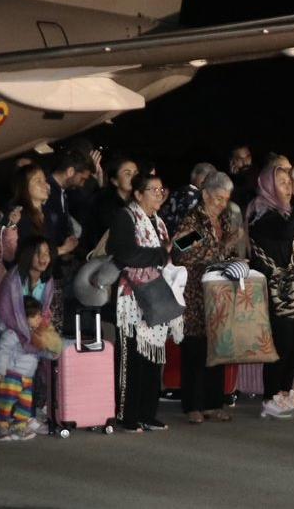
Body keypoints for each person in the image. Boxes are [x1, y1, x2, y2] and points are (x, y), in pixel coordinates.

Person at [170, 172, 247, 422]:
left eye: (225, 199)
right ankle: (193, 405)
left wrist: (231, 245)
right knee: (195, 349)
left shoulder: (223, 221)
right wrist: (218, 250)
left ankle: (214, 403)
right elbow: (181, 251)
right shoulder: (194, 221)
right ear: (205, 195)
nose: (221, 204)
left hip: (218, 292)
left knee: (216, 347)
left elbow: (224, 251)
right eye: (217, 199)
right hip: (195, 291)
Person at [109, 171, 177, 431]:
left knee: (153, 356)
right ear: (138, 194)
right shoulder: (126, 216)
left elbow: (168, 253)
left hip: (156, 293)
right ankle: (127, 414)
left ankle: (148, 413)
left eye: (162, 190)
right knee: (132, 356)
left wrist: (178, 249)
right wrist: (161, 254)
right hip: (131, 296)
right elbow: (125, 253)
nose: (159, 194)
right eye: (153, 190)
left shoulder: (158, 221)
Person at [246, 159, 294, 419]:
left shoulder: (288, 211)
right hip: (273, 288)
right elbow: (285, 233)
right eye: (282, 183)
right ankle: (271, 396)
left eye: (289, 183)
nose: (288, 188)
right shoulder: (261, 213)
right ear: (268, 185)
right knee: (280, 343)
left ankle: (286, 392)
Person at [0, 236, 60, 437]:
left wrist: (43, 336)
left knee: (26, 382)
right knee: (6, 383)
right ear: (27, 255)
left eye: (47, 253)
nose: (44, 258)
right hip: (8, 330)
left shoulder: (47, 281)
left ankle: (23, 420)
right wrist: (30, 336)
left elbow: (45, 311)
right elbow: (8, 314)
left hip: (30, 335)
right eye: (38, 253)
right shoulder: (13, 279)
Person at [0, 296, 63, 440]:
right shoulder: (13, 333)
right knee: (6, 402)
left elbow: (39, 350)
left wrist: (52, 354)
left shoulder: (34, 335)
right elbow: (3, 349)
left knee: (25, 403)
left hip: (27, 377)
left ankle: (19, 426)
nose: (39, 319)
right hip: (11, 374)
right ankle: (2, 426)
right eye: (36, 316)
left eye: (39, 315)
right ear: (23, 317)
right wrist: (0, 369)